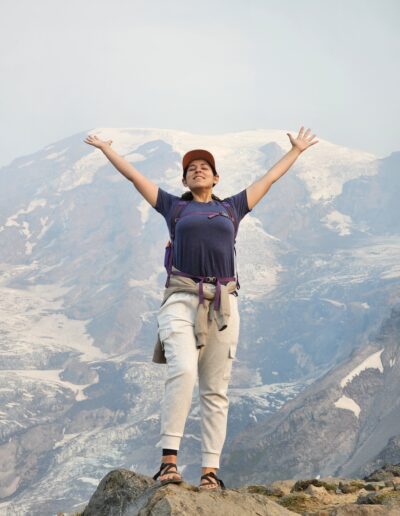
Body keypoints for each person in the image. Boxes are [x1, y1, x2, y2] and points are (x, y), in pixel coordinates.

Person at [84, 127, 319, 490]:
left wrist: (296, 151)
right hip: (181, 298)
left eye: (204, 166)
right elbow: (134, 177)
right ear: (184, 178)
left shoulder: (232, 207)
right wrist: (105, 149)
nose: (197, 169)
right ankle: (168, 463)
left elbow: (268, 179)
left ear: (216, 176)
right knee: (183, 371)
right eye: (191, 167)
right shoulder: (174, 207)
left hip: (224, 305)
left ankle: (210, 472)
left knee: (216, 388)